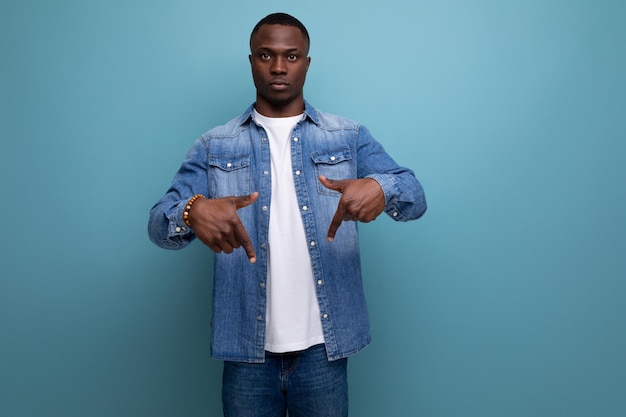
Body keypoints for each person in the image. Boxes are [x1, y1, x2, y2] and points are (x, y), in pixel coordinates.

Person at [148, 12, 426, 417]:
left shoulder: (346, 137)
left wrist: (383, 188)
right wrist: (192, 211)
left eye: (291, 56)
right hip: (246, 353)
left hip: (323, 351)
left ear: (307, 63)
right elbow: (159, 224)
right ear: (252, 62)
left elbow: (415, 197)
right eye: (266, 55)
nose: (279, 67)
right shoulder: (215, 145)